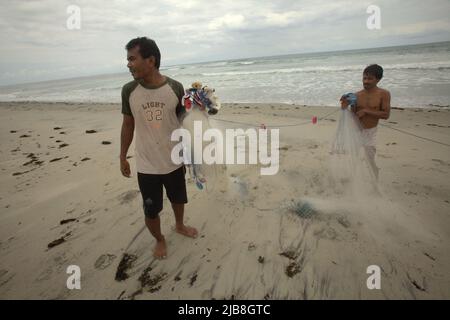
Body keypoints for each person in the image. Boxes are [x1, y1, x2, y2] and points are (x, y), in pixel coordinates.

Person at [120, 37, 198, 259]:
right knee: (151, 209)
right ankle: (160, 239)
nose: (128, 64)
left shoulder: (175, 87)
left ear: (151, 60)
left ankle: (180, 225)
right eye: (128, 59)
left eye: (132, 59)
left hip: (174, 159)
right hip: (147, 166)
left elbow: (184, 121)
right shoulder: (129, 90)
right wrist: (122, 156)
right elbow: (127, 124)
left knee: (178, 199)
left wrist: (200, 114)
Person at [340, 64, 391, 179]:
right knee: (353, 158)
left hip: (370, 132)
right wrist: (345, 104)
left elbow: (386, 115)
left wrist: (367, 111)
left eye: (370, 78)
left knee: (370, 159)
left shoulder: (384, 94)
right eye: (364, 78)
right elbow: (352, 114)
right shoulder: (357, 95)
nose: (366, 81)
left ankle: (375, 183)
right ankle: (352, 181)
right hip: (356, 131)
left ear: (378, 79)